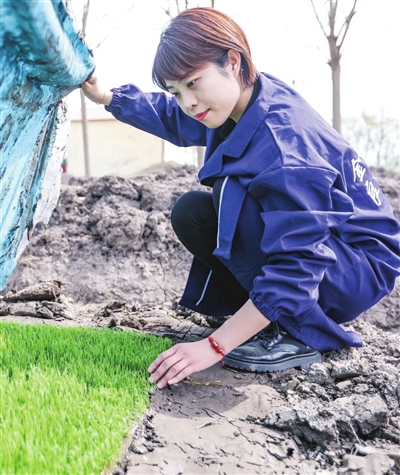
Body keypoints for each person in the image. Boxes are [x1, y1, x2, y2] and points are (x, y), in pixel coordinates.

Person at [82, 7, 400, 390]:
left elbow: (299, 261)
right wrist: (107, 97)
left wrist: (214, 346)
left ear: (232, 61)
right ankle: (256, 317)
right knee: (193, 212)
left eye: (193, 83)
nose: (187, 102)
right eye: (176, 91)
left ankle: (299, 332)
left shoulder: (284, 144)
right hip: (331, 251)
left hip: (353, 267)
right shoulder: (243, 99)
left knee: (232, 194)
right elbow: (176, 117)